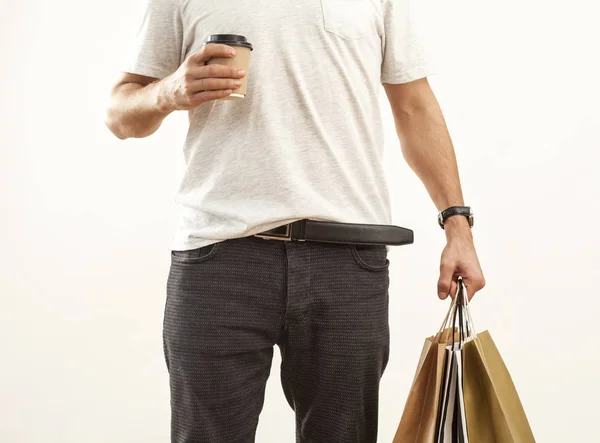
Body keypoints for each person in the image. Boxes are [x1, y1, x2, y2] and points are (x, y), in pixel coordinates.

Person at [105, 0, 486, 441]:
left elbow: (414, 108)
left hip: (347, 261)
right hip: (218, 258)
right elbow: (119, 113)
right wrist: (169, 91)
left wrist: (458, 225)